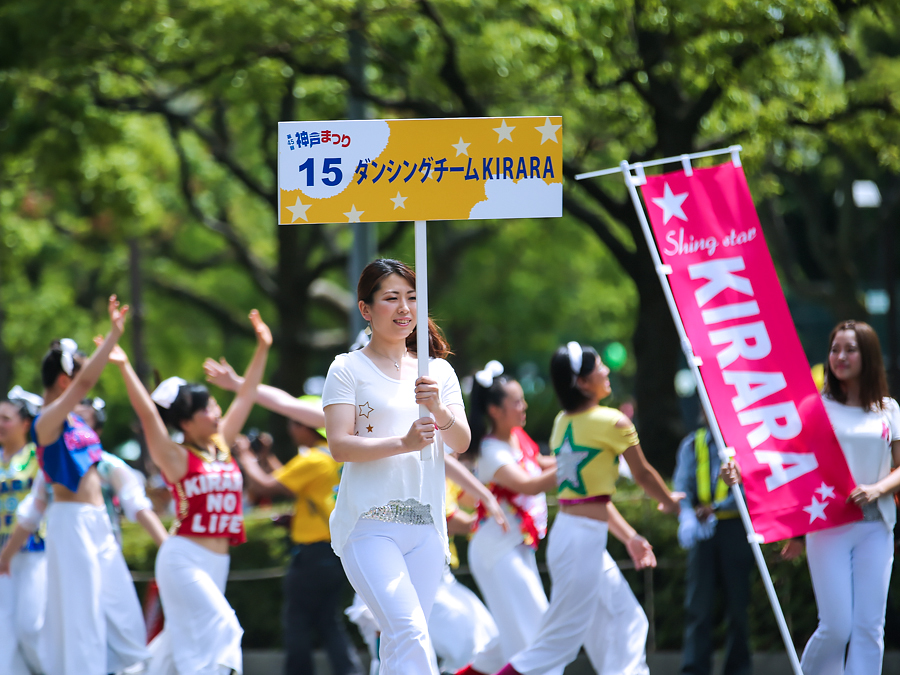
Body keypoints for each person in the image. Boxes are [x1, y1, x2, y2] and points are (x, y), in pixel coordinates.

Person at [493, 342, 680, 675]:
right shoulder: (614, 422)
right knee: (558, 644)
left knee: (628, 618)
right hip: (580, 543)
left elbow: (591, 498)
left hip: (576, 537)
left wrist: (630, 537)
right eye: (599, 368)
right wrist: (668, 500)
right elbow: (643, 474)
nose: (607, 371)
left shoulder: (562, 422)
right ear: (581, 382)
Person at [322, 258, 471, 675]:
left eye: (412, 298)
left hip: (425, 526)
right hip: (370, 526)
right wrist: (402, 443)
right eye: (392, 298)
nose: (405, 308)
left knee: (400, 643)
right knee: (410, 632)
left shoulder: (437, 371)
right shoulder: (347, 368)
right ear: (366, 309)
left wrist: (437, 406)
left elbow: (460, 442)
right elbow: (340, 446)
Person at [108, 308, 272, 675]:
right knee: (224, 628)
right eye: (208, 409)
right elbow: (148, 416)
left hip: (219, 560)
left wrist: (263, 345)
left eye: (215, 406)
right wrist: (122, 366)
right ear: (186, 420)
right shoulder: (176, 456)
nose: (216, 413)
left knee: (176, 647)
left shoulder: (222, 444)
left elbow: (246, 395)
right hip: (182, 557)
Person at [29, 297, 150, 675]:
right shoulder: (46, 423)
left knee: (126, 619)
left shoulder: (76, 422)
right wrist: (113, 337)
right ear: (65, 381)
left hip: (99, 522)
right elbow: (85, 382)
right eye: (78, 374)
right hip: (71, 521)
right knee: (83, 622)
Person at [786, 321, 899, 675]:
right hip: (828, 526)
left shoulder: (889, 409)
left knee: (869, 628)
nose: (840, 357)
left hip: (875, 528)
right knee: (837, 626)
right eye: (835, 349)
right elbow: (788, 465)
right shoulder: (813, 407)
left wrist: (878, 489)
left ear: (868, 356)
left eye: (850, 349)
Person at [458, 360, 559, 675]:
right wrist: (580, 461)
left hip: (516, 549)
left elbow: (543, 464)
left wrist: (582, 453)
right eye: (516, 402)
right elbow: (529, 483)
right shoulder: (490, 450)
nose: (524, 406)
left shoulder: (519, 438)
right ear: (495, 410)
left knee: (513, 638)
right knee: (537, 632)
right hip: (496, 551)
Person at [673, 421, 752, 675]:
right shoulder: (692, 443)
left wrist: (718, 509)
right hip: (702, 529)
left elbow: (752, 487)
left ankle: (738, 670)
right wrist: (686, 515)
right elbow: (682, 485)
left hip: (736, 529)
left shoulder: (745, 441)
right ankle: (694, 669)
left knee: (738, 607)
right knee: (698, 606)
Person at [0, 387, 47, 675]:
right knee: (4, 632)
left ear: (25, 423)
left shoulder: (37, 458)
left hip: (33, 550)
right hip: (0, 558)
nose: (0, 425)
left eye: (5, 418)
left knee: (31, 626)